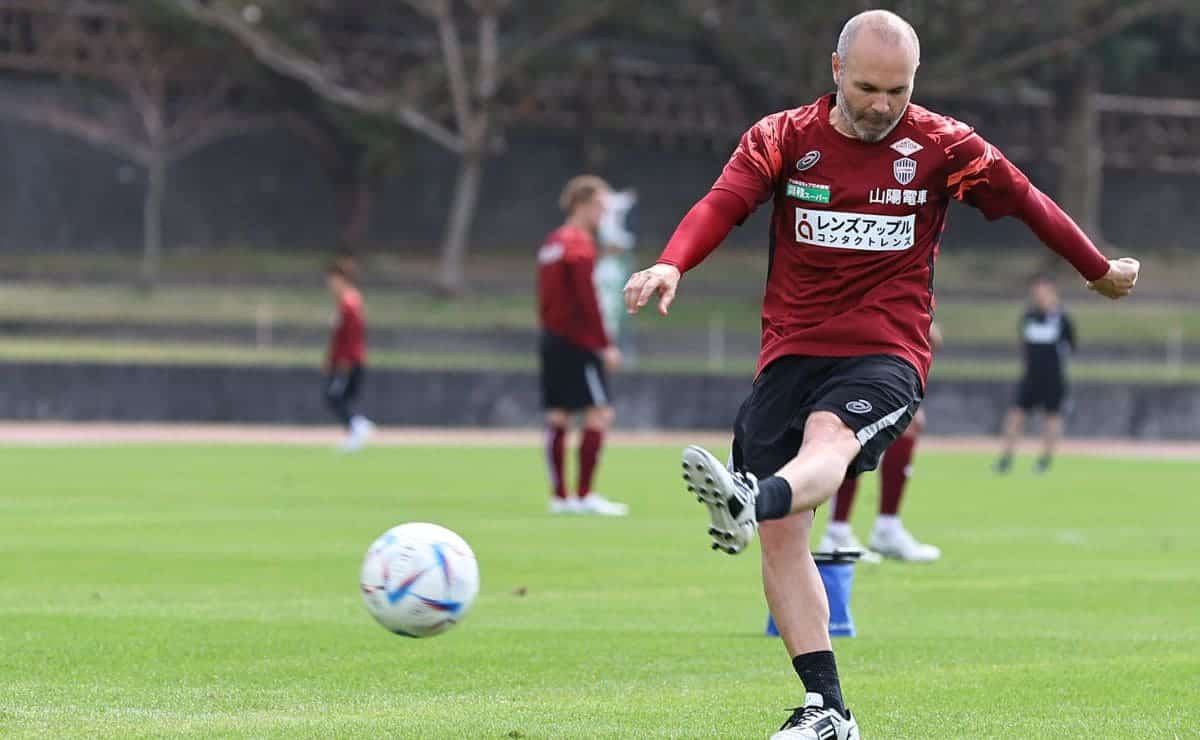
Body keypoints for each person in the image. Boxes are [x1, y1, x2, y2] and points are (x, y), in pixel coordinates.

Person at [623, 10, 1139, 738]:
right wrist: (673, 260)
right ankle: (826, 709)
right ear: (837, 71)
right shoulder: (782, 138)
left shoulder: (943, 145)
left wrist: (1097, 270)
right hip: (790, 352)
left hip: (886, 349)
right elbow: (723, 203)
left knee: (828, 440)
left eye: (896, 91)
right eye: (866, 87)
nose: (879, 105)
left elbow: (1026, 200)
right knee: (781, 538)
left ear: (914, 83)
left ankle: (754, 495)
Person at [538, 175, 628, 516]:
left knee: (558, 416)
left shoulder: (552, 243)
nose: (603, 215)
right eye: (600, 207)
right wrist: (603, 344)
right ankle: (585, 494)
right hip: (578, 342)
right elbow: (586, 301)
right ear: (582, 204)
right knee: (599, 413)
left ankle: (561, 497)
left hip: (551, 339)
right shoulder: (579, 245)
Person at [819, 323, 944, 563]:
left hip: (878, 343)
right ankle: (840, 532)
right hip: (861, 338)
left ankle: (880, 527)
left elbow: (930, 336)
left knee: (899, 426)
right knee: (851, 428)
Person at [994, 275, 1077, 474]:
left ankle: (1044, 461)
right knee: (1016, 415)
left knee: (1052, 417)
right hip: (1030, 377)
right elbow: (1024, 344)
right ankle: (1006, 458)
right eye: (1036, 294)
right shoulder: (1028, 317)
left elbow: (1070, 347)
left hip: (1053, 378)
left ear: (1052, 294)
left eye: (1043, 293)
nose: (1039, 297)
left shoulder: (1062, 320)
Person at [323, 263, 373, 451]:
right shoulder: (347, 302)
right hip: (346, 359)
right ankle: (355, 428)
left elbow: (352, 336)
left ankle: (357, 427)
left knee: (334, 396)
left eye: (332, 279)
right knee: (336, 397)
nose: (329, 284)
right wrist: (330, 359)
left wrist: (345, 361)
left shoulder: (350, 304)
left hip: (349, 361)